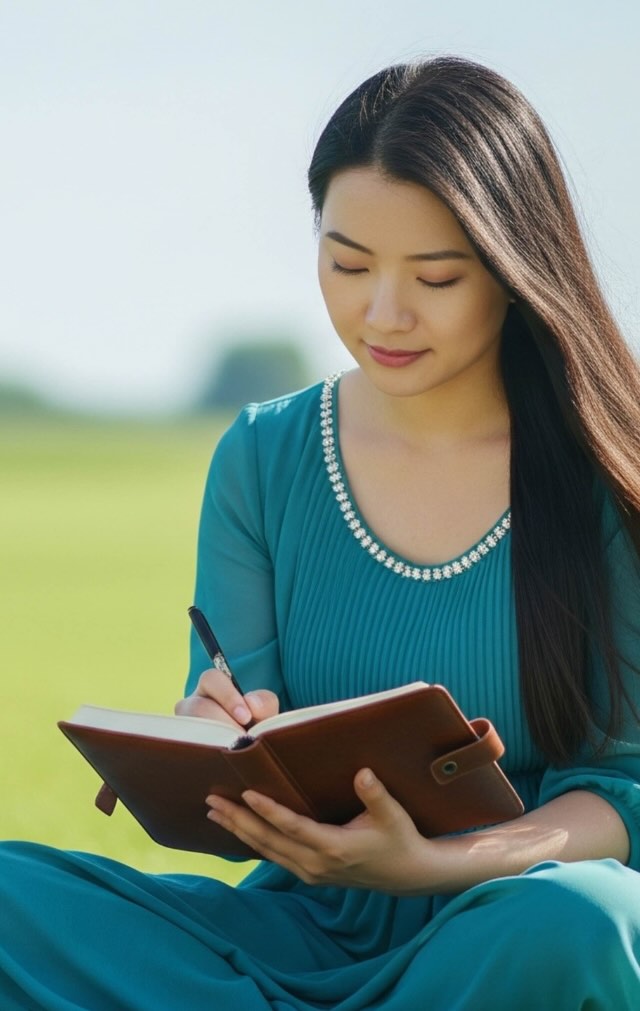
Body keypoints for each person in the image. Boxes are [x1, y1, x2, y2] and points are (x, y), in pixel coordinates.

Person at [2, 53, 640, 1010]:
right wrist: (212, 733)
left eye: (435, 276)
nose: (382, 313)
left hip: (503, 917)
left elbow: (623, 792)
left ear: (515, 270)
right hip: (292, 929)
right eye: (347, 264)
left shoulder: (605, 468)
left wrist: (430, 864)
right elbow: (243, 731)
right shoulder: (265, 455)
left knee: (588, 921)